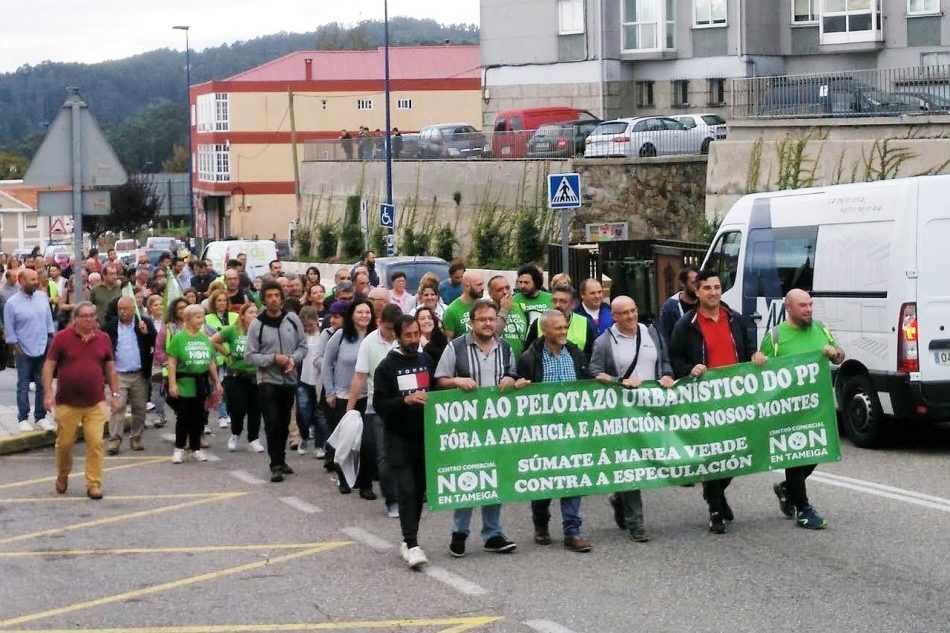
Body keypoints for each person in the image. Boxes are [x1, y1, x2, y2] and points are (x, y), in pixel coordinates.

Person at [669, 269, 764, 535]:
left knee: (734, 452)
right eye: (707, 288)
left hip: (736, 398)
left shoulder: (736, 319)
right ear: (697, 291)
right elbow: (674, 360)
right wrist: (690, 368)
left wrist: (756, 356)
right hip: (705, 402)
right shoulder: (686, 325)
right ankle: (714, 507)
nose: (713, 292)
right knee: (713, 453)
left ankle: (718, 493)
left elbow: (748, 351)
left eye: (717, 287)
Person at [436, 299, 525, 557]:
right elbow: (440, 380)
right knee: (469, 476)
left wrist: (511, 378)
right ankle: (459, 532)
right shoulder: (455, 347)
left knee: (494, 476)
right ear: (471, 322)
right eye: (482, 319)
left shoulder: (505, 348)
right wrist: (456, 381)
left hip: (497, 426)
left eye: (492, 319)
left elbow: (512, 375)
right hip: (465, 427)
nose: (488, 324)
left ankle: (493, 533)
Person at [590, 295, 674, 542]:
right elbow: (595, 371)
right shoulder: (605, 341)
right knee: (633, 466)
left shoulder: (651, 333)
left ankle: (619, 497)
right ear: (614, 316)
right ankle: (636, 523)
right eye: (624, 313)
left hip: (653, 411)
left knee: (654, 460)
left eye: (633, 310)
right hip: (624, 413)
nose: (630, 316)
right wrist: (619, 381)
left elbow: (664, 361)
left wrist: (667, 375)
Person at [762, 289, 845, 530]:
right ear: (788, 308)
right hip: (788, 409)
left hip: (817, 407)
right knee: (796, 456)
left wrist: (836, 354)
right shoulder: (776, 337)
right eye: (802, 306)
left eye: (810, 305)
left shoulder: (821, 329)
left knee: (817, 451)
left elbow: (839, 357)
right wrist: (758, 359)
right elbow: (761, 372)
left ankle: (787, 488)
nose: (808, 309)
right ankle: (803, 508)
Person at [518, 310, 593, 553]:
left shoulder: (575, 353)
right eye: (558, 328)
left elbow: (587, 382)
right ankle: (541, 524)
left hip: (572, 429)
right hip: (542, 430)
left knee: (572, 477)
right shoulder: (530, 357)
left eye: (565, 327)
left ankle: (573, 530)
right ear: (545, 330)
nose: (563, 332)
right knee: (544, 478)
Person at [373, 314, 435, 569]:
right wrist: (405, 401)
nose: (412, 339)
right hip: (397, 438)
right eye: (407, 335)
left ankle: (410, 539)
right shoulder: (386, 368)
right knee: (407, 489)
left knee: (419, 490)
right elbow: (379, 404)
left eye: (415, 334)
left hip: (424, 437)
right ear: (398, 336)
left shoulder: (426, 360)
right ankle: (411, 543)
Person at [42, 301, 120, 500]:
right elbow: (49, 367)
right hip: (67, 402)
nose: (88, 319)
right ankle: (63, 474)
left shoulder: (104, 338)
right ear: (75, 318)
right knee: (65, 444)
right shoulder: (61, 338)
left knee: (95, 442)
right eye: (84, 315)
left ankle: (93, 483)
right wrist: (48, 394)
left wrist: (115, 394)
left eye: (92, 315)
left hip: (95, 401)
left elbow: (110, 368)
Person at [245, 281, 308, 482]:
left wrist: (292, 359)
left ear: (281, 298)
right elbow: (250, 356)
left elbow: (303, 346)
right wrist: (274, 358)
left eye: (276, 295)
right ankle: (276, 464)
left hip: (289, 380)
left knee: (283, 423)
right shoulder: (257, 324)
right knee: (272, 423)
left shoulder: (292, 319)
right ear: (263, 299)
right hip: (267, 381)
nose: (273, 299)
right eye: (269, 295)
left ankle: (281, 458)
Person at [347, 304, 402, 512]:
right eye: (388, 329)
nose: (392, 334)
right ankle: (392, 499)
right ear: (380, 323)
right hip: (378, 407)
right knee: (384, 455)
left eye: (395, 329)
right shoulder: (369, 342)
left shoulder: (407, 337)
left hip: (407, 406)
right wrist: (350, 410)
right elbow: (360, 376)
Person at [322, 299, 376, 494]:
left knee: (366, 442)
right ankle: (344, 477)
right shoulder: (341, 336)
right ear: (352, 315)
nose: (364, 316)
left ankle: (365, 483)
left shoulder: (374, 337)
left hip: (368, 396)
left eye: (367, 312)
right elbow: (327, 363)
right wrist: (330, 391)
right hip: (343, 395)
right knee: (347, 439)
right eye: (360, 312)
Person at [166, 304, 223, 464]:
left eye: (202, 316)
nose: (201, 320)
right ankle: (178, 449)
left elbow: (211, 362)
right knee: (183, 417)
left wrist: (217, 382)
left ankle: (195, 448)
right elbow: (171, 362)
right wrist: (172, 384)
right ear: (188, 319)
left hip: (201, 384)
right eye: (198, 317)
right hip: (185, 383)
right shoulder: (179, 338)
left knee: (199, 418)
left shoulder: (205, 337)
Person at [4, 268, 56, 432]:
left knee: (42, 384)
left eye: (36, 279)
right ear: (21, 281)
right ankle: (23, 418)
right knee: (23, 385)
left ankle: (40, 416)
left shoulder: (42, 297)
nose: (36, 282)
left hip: (43, 348)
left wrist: (50, 339)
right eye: (32, 279)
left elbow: (48, 320)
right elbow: (9, 329)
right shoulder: (12, 303)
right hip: (23, 351)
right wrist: (16, 347)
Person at [103, 296, 156, 455]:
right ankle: (115, 441)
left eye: (126, 309)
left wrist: (146, 333)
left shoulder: (144, 323)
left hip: (139, 374)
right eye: (120, 309)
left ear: (134, 309)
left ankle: (136, 437)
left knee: (140, 409)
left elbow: (156, 342)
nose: (123, 312)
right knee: (117, 408)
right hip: (118, 374)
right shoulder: (110, 327)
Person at [212, 302, 265, 453]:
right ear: (242, 315)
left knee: (256, 409)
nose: (254, 315)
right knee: (238, 409)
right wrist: (227, 354)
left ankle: (253, 439)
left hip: (256, 376)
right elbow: (214, 340)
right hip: (236, 376)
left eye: (256, 312)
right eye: (250, 312)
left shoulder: (261, 331)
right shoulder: (233, 330)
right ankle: (235, 433)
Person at [523, 284, 596, 359]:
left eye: (563, 302)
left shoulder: (584, 323)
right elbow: (527, 353)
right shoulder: (539, 322)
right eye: (554, 301)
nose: (558, 305)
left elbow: (591, 356)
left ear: (573, 304)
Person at [295, 306, 329, 459]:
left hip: (319, 381)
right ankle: (303, 435)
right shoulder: (300, 337)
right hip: (303, 379)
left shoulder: (324, 336)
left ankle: (319, 445)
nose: (308, 328)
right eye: (305, 326)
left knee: (319, 414)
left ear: (317, 321)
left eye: (311, 325)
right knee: (303, 411)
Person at [205, 288, 238, 429]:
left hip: (232, 357)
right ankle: (222, 415)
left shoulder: (235, 317)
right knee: (217, 387)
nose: (222, 303)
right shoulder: (207, 318)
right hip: (216, 357)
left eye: (225, 300)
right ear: (214, 302)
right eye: (219, 300)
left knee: (229, 387)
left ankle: (227, 413)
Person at [488, 275, 528, 359]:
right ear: (491, 294)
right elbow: (491, 336)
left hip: (521, 362)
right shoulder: (487, 311)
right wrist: (504, 310)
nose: (505, 292)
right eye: (500, 290)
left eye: (507, 288)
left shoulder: (521, 308)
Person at [659, 266, 699, 345]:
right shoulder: (670, 307)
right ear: (682, 283)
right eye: (693, 282)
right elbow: (664, 337)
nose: (697, 286)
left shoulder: (705, 303)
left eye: (699, 282)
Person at [145, 294, 169, 428]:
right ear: (150, 308)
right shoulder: (147, 323)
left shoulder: (169, 322)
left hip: (170, 359)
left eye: (161, 304)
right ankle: (161, 416)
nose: (159, 307)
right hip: (155, 360)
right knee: (157, 389)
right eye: (155, 305)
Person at [442, 271, 485, 339]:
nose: (482, 288)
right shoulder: (451, 311)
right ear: (467, 287)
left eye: (483, 284)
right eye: (479, 285)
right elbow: (448, 341)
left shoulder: (484, 306)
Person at [514, 264, 553, 328]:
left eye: (526, 282)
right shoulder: (514, 299)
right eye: (521, 282)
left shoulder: (550, 298)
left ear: (536, 282)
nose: (522, 286)